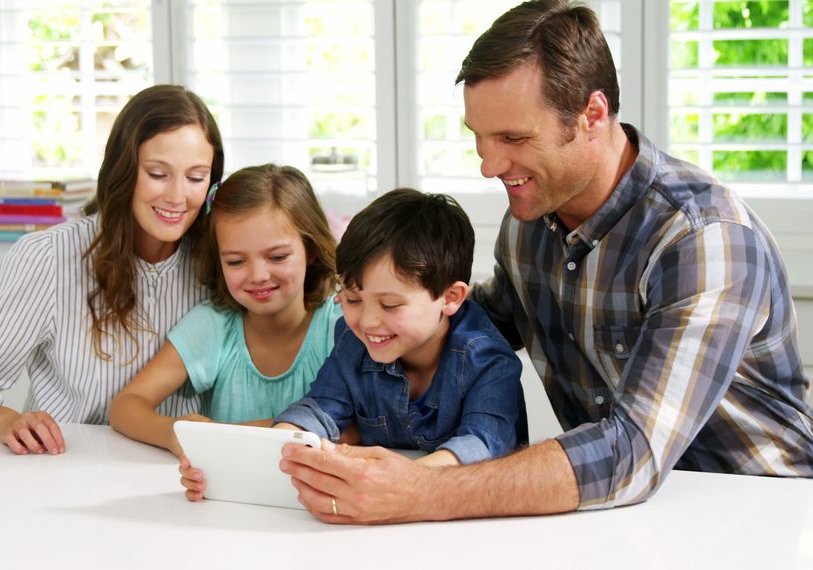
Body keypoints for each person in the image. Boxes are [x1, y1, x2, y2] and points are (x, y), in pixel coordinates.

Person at [278, 0, 813, 524]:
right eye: (479, 139)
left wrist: (421, 489)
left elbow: (631, 454)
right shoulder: (529, 223)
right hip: (619, 515)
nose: (489, 165)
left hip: (759, 515)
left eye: (512, 138)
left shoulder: (701, 240)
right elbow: (470, 323)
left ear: (592, 115)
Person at [0, 84, 224, 455]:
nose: (178, 196)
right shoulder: (48, 257)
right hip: (63, 471)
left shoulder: (222, 262)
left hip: (179, 479)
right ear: (124, 171)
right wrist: (5, 420)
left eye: (196, 178)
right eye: (158, 174)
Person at [272, 189, 525, 466]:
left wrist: (401, 479)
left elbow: (483, 443)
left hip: (469, 503)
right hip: (376, 494)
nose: (367, 321)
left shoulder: (488, 360)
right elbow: (321, 407)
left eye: (390, 305)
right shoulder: (353, 339)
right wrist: (283, 441)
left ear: (450, 298)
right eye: (353, 299)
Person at [108, 164, 341, 457]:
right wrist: (172, 433)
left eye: (277, 256)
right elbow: (126, 405)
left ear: (311, 250)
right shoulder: (214, 324)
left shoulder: (341, 325)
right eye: (235, 261)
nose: (257, 275)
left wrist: (222, 436)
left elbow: (355, 427)